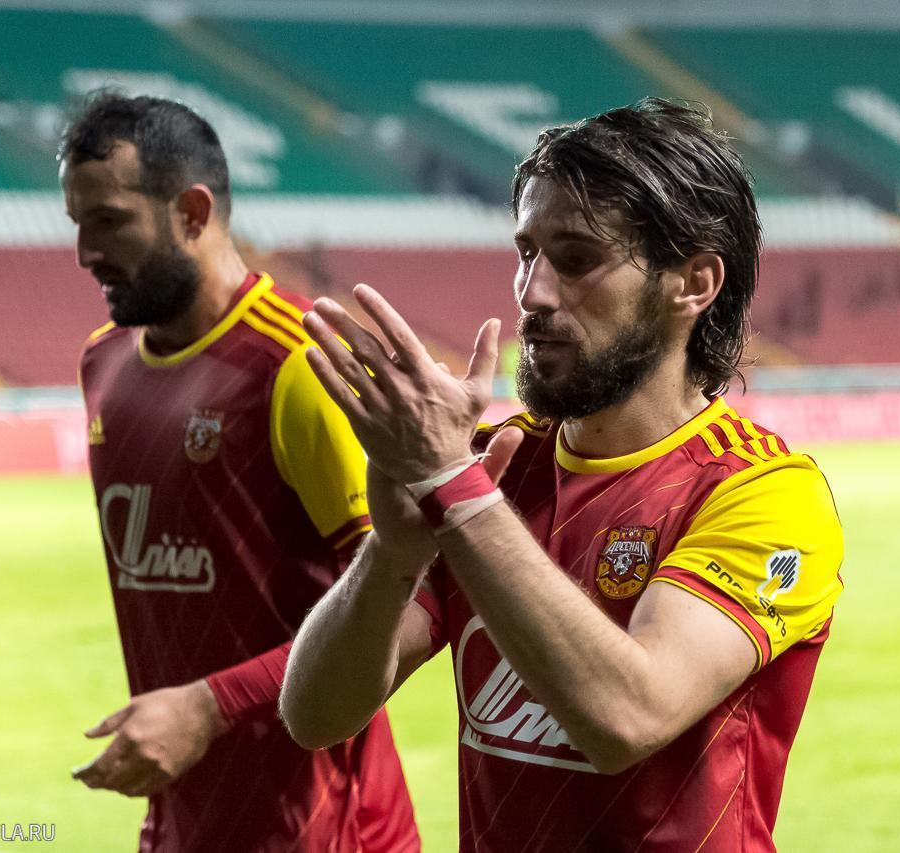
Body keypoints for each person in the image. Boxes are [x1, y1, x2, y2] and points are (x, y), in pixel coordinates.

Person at [280, 98, 845, 851]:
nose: (532, 292)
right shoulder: (496, 466)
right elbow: (316, 715)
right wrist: (393, 552)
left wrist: (454, 487)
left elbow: (628, 717)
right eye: (526, 252)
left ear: (693, 283)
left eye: (576, 259)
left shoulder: (763, 492)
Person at [61, 93, 418, 852]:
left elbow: (402, 609)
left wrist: (210, 705)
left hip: (328, 829)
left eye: (110, 221)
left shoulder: (300, 363)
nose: (86, 252)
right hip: (183, 819)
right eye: (77, 223)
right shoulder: (104, 363)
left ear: (192, 211)